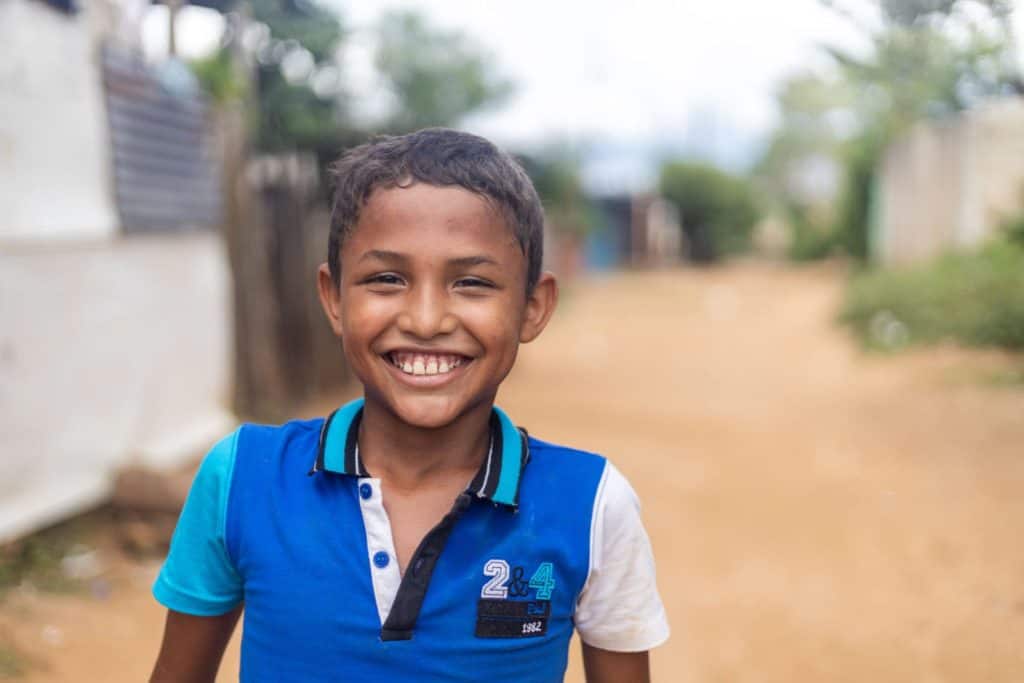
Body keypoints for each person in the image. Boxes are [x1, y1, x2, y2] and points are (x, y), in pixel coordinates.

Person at [149, 128, 669, 682]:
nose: (425, 320)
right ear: (333, 298)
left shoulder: (590, 506)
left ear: (533, 308)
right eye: (387, 279)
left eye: (471, 282)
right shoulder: (242, 479)